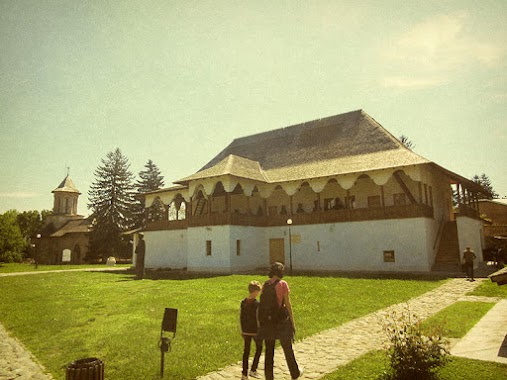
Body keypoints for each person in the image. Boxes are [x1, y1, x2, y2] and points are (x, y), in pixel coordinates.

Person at [259, 262, 303, 380]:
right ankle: (295, 372)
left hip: (268, 322)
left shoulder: (266, 284)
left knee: (269, 351)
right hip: (281, 321)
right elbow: (287, 304)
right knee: (287, 348)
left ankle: (269, 377)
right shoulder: (283, 284)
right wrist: (292, 322)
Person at [240, 281, 263, 379]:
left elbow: (241, 317)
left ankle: (244, 373)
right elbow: (258, 318)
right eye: (258, 291)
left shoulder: (243, 302)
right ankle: (253, 369)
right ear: (255, 291)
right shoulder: (256, 304)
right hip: (254, 330)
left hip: (245, 330)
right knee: (259, 348)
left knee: (246, 351)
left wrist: (242, 329)